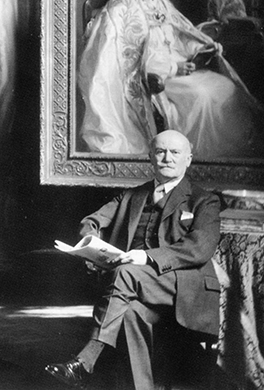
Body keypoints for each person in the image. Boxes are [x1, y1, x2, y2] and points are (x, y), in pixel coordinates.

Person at [45, 130, 221, 389]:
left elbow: (200, 248)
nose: (167, 158)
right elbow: (92, 221)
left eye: (175, 152)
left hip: (184, 284)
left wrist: (147, 257)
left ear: (188, 159)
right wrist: (91, 242)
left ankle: (85, 361)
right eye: (160, 152)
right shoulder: (132, 195)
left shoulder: (204, 200)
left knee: (126, 273)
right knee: (129, 313)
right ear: (151, 157)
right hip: (135, 286)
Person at [78, 0, 264, 158]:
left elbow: (178, 33)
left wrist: (203, 46)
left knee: (225, 87)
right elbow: (126, 60)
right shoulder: (122, 5)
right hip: (152, 80)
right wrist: (173, 67)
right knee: (202, 96)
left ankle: (220, 159)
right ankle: (195, 160)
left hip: (176, 72)